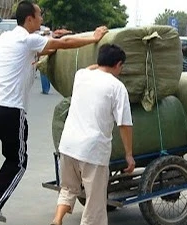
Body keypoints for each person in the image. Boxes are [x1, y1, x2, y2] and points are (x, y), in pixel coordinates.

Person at [0, 1, 108, 225]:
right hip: (9, 110)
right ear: (29, 18)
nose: (42, 19)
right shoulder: (27, 39)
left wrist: (54, 38)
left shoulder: (6, 38)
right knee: (18, 162)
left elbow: (48, 46)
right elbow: (62, 44)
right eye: (40, 16)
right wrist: (94, 38)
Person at [50, 44, 135, 225]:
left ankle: (57, 220)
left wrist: (101, 64)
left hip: (67, 145)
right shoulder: (117, 87)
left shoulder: (81, 75)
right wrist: (129, 154)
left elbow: (90, 68)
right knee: (95, 203)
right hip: (93, 152)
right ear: (119, 64)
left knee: (68, 188)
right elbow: (125, 125)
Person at [39, 28, 52, 94]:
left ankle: (45, 89)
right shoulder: (51, 39)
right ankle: (47, 88)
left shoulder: (42, 40)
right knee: (48, 74)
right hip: (50, 58)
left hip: (43, 59)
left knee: (43, 74)